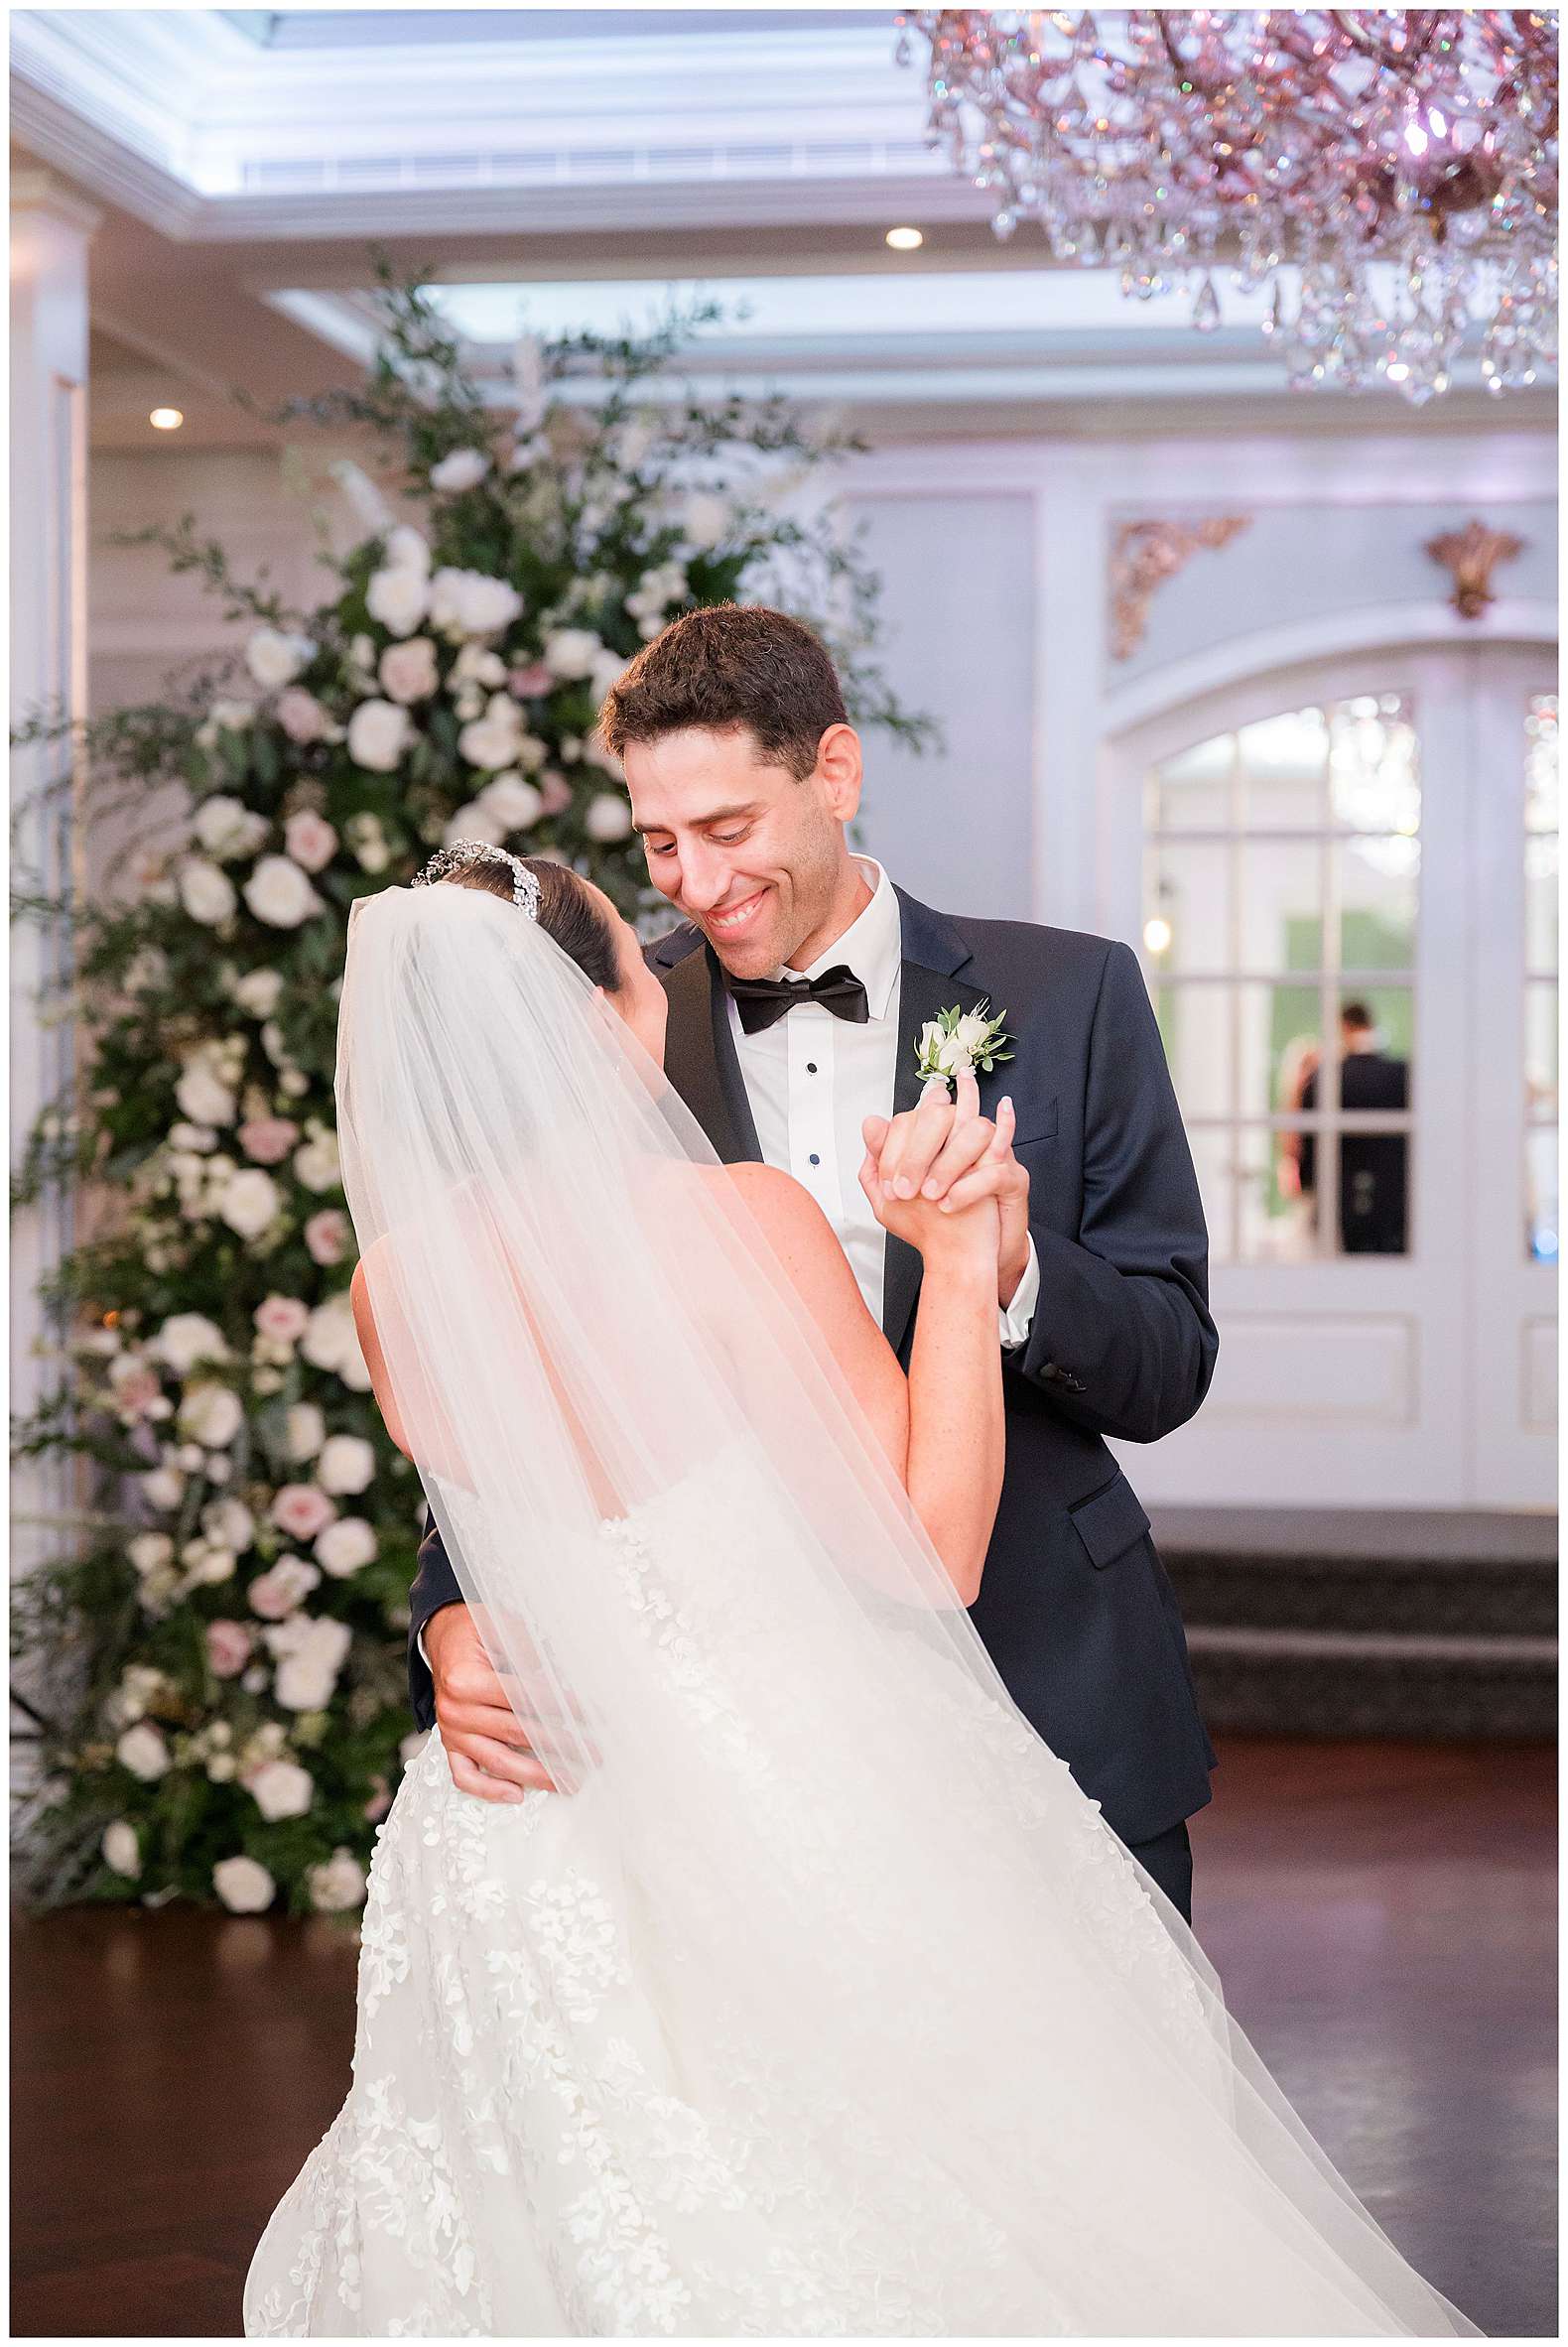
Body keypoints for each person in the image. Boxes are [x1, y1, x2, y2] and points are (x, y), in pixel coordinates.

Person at [245, 848, 1475, 2336]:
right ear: (589, 1020)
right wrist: (958, 1264)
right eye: (638, 954)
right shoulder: (738, 1221)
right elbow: (929, 1550)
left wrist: (453, 1619)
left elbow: (507, 1516)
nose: (669, 957)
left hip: (523, 1828)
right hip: (785, 1772)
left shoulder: (397, 1285)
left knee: (573, 2190)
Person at [410, 604, 1217, 1923]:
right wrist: (448, 1620)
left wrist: (1012, 1268)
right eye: (660, 840)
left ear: (833, 772)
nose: (695, 881)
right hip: (734, 1748)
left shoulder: (1069, 997)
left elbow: (1170, 1360)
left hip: (1049, 1680)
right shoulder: (606, 1026)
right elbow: (514, 1363)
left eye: (729, 829)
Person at [1299, 1002, 1410, 1254]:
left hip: (1339, 1198)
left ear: (1344, 1027)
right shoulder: (1402, 1075)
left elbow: (1310, 1141)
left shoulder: (1325, 1079)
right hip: (1395, 1198)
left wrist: (1307, 1183)